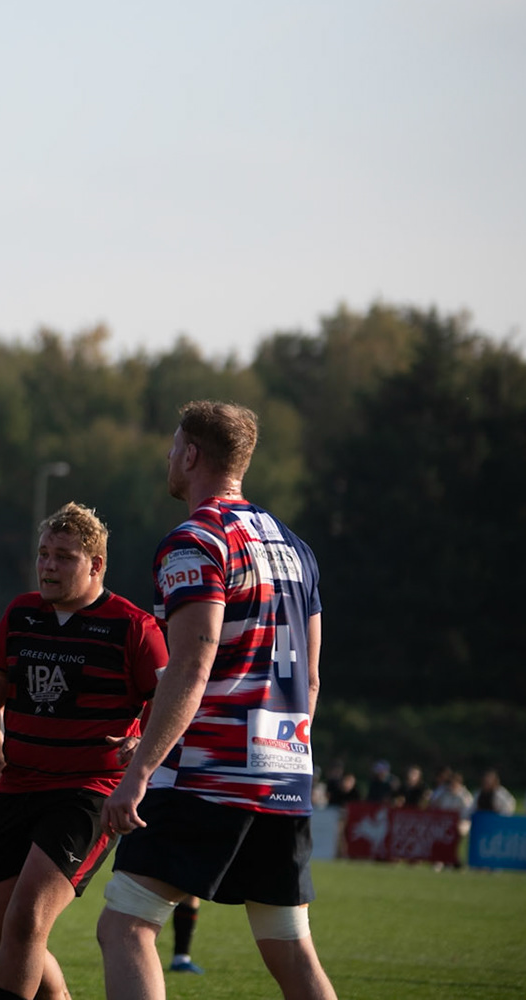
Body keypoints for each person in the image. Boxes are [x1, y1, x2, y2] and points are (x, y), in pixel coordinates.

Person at [97, 401, 338, 1000]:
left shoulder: (194, 541)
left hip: (208, 776)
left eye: (174, 445)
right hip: (284, 771)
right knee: (289, 945)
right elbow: (309, 679)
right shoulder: (295, 546)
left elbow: (193, 663)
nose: (168, 456)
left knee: (125, 924)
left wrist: (140, 772)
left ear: (192, 455)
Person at [0, 502, 167, 1000]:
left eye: (64, 557)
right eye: (44, 554)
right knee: (0, 932)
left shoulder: (133, 627)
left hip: (86, 794)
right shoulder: (21, 613)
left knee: (28, 920)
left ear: (96, 565)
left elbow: (174, 702)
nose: (48, 566)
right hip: (16, 788)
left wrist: (142, 743)